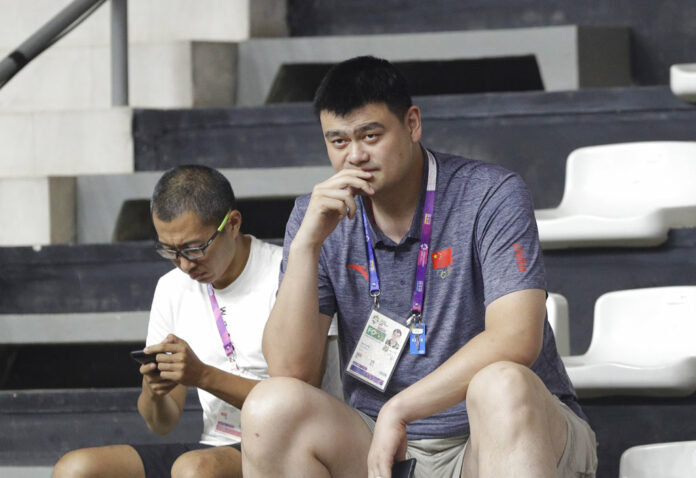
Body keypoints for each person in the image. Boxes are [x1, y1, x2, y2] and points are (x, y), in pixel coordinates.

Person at [240, 56, 597, 478]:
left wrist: (401, 408)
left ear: (412, 124)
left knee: (501, 384)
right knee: (269, 406)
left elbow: (516, 338)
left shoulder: (490, 195)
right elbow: (290, 370)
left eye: (370, 135)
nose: (355, 156)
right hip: (378, 444)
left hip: (497, 435)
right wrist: (305, 247)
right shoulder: (316, 217)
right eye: (337, 142)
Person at [54, 165, 282, 478]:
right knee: (76, 469)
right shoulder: (172, 287)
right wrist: (154, 390)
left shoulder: (283, 275)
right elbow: (161, 423)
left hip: (283, 445)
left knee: (192, 470)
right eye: (170, 251)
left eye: (194, 248)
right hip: (215, 446)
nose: (186, 265)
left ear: (233, 225)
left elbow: (293, 403)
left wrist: (202, 375)